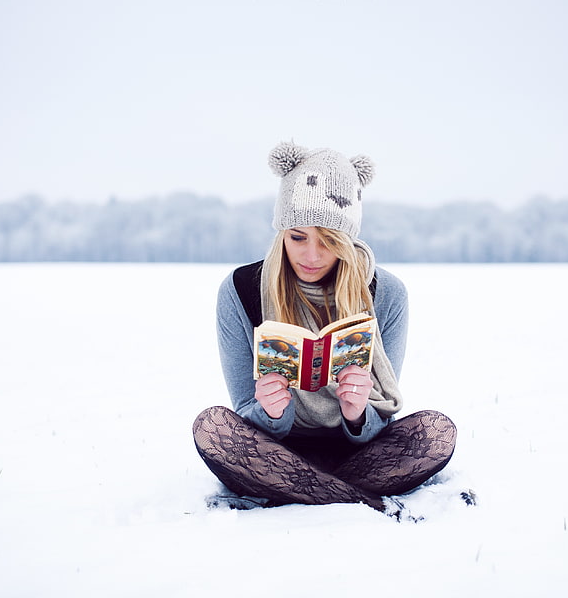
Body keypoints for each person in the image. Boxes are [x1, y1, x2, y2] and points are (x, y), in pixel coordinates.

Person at [192, 141, 457, 519]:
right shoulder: (241, 290)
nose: (311, 256)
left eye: (328, 241)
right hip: (275, 450)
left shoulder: (388, 294)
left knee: (436, 431)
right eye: (297, 237)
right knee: (213, 427)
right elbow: (242, 413)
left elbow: (380, 422)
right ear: (281, 231)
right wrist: (270, 411)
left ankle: (298, 491)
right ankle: (359, 500)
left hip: (359, 453)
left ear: (346, 241)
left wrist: (357, 413)